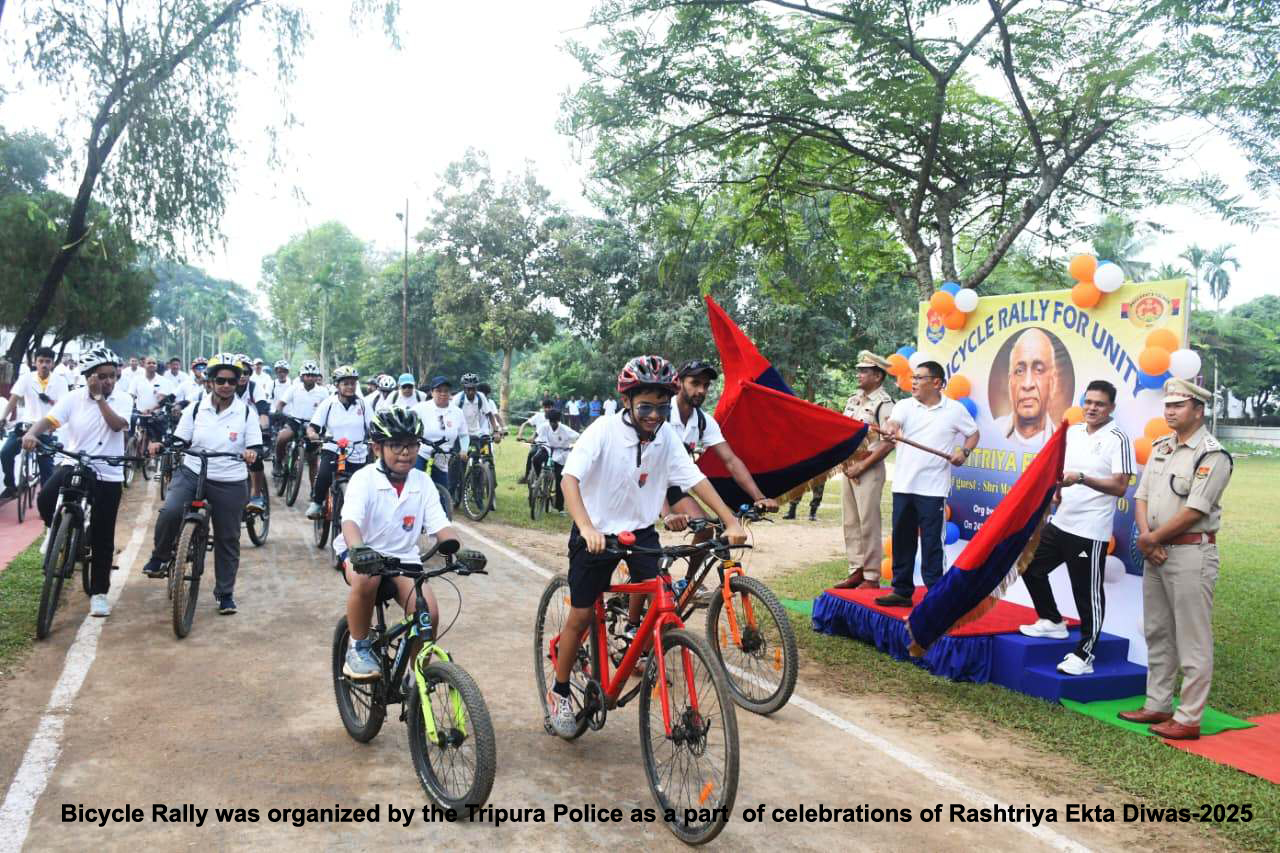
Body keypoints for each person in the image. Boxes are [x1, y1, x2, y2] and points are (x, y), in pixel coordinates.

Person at [544, 355, 747, 737]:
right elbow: (570, 479)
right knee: (582, 614)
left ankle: (630, 642)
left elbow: (694, 478)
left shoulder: (666, 436)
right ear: (626, 402)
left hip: (640, 532)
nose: (655, 415)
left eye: (662, 407)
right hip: (597, 533)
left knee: (661, 597)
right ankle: (560, 691)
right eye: (645, 407)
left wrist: (730, 520)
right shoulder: (603, 431)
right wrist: (586, 526)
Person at [1117, 378, 1233, 740]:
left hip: (1190, 553)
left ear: (1198, 411)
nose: (1170, 411)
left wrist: (1152, 539)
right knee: (1158, 630)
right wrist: (1146, 538)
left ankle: (1188, 717)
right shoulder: (1162, 446)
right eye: (1167, 405)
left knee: (1192, 638)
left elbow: (1195, 510)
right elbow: (1142, 497)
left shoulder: (1212, 455)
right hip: (1156, 552)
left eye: (1178, 405)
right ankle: (1158, 703)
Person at [334, 407, 459, 680]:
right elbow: (350, 521)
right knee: (367, 579)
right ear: (377, 448)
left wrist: (457, 548)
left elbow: (440, 524)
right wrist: (357, 548)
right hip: (362, 553)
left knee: (429, 612)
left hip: (403, 557)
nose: (405, 452)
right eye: (396, 445)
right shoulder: (363, 478)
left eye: (412, 445)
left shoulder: (423, 482)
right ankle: (357, 647)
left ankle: (415, 679)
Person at [1019, 380, 1135, 674]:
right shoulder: (1074, 432)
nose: (1092, 408)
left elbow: (1120, 486)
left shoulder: (1118, 438)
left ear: (1111, 407)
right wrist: (1058, 491)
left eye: (1100, 404)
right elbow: (1062, 472)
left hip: (1090, 530)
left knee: (1086, 594)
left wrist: (1082, 478)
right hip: (1062, 522)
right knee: (1029, 567)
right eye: (1089, 402)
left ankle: (1085, 655)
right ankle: (1052, 621)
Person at [139, 355, 262, 614]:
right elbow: (180, 439)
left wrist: (252, 453)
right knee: (170, 511)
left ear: (237, 383)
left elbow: (255, 445)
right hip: (193, 472)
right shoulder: (195, 409)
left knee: (228, 537)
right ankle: (160, 557)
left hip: (229, 479)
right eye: (221, 380)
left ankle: (225, 593)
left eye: (231, 381)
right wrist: (162, 445)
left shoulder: (246, 412)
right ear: (211, 381)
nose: (226, 385)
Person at [23, 347, 133, 618]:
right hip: (74, 463)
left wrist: (99, 399)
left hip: (108, 471)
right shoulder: (73, 398)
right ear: (88, 377)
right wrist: (31, 433)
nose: (108, 381)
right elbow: (50, 420)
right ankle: (59, 531)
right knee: (45, 499)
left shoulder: (122, 398)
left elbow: (117, 425)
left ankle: (99, 593)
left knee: (103, 534)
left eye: (112, 375)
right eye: (102, 376)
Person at [664, 360, 776, 602]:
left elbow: (731, 461)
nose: (701, 390)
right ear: (678, 382)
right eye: (695, 383)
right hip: (645, 484)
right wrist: (666, 513)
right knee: (641, 546)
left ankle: (688, 585)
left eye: (705, 385)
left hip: (674, 487)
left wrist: (759, 497)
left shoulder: (702, 421)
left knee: (705, 527)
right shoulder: (660, 414)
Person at [875, 360, 979, 607]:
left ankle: (935, 596)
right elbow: (894, 423)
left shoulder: (954, 410)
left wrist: (964, 452)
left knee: (932, 543)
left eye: (919, 378)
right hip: (904, 486)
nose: (913, 382)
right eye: (913, 377)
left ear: (936, 383)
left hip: (933, 489)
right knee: (902, 540)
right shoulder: (904, 405)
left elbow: (973, 434)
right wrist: (889, 428)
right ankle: (901, 591)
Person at [833, 351, 896, 589]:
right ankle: (856, 569)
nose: (858, 374)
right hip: (849, 466)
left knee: (868, 522)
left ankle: (871, 576)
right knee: (850, 521)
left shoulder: (884, 404)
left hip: (869, 467)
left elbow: (889, 442)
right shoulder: (853, 400)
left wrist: (862, 465)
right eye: (859, 370)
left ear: (878, 376)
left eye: (864, 371)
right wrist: (846, 462)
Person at [305, 365, 372, 520]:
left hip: (358, 451)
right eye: (345, 383)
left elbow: (373, 426)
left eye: (353, 383)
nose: (350, 387)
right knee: (323, 474)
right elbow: (313, 426)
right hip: (333, 449)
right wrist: (313, 434)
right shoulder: (328, 403)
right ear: (337, 385)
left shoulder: (363, 404)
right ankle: (317, 503)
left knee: (363, 485)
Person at [1, 347, 68, 498]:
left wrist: (54, 426)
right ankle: (10, 486)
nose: (44, 365)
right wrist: (3, 418)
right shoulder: (26, 378)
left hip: (46, 427)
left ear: (53, 363)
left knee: (46, 466)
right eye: (41, 361)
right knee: (5, 453)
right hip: (25, 425)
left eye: (48, 362)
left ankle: (45, 498)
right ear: (34, 362)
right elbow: (13, 399)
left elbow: (63, 407)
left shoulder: (60, 382)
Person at [994, 328, 1058, 449]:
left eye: (1038, 370)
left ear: (1053, 383)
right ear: (1010, 383)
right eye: (1019, 371)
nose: (1027, 384)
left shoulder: (1066, 444)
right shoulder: (990, 433)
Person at [412, 376, 464, 492]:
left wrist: (464, 450)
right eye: (438, 391)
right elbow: (407, 422)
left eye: (446, 391)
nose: (443, 394)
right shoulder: (420, 408)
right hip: (422, 452)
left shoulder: (457, 412)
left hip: (443, 456)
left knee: (442, 491)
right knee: (415, 484)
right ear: (432, 392)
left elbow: (464, 434)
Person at [273, 361, 327, 469]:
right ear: (302, 376)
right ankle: (278, 462)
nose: (310, 378)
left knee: (313, 459)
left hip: (313, 425)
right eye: (307, 375)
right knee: (282, 438)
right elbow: (281, 403)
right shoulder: (294, 388)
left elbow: (327, 410)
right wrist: (278, 412)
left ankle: (312, 479)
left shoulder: (323, 391)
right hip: (295, 421)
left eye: (313, 375)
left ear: (317, 377)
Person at [531, 408, 578, 512]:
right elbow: (537, 434)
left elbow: (577, 436)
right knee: (536, 459)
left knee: (560, 479)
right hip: (547, 448)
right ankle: (538, 479)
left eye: (554, 422)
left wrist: (573, 446)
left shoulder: (565, 429)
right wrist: (533, 440)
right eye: (550, 421)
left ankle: (559, 507)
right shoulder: (545, 426)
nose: (552, 424)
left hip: (560, 453)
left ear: (558, 421)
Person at [515, 398, 556, 484]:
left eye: (549, 407)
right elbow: (525, 424)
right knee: (532, 454)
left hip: (551, 443)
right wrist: (520, 434)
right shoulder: (539, 416)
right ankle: (527, 476)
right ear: (543, 408)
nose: (547, 409)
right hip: (538, 442)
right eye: (545, 407)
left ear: (553, 407)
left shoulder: (556, 417)